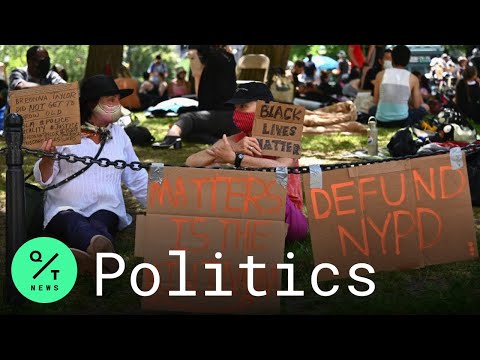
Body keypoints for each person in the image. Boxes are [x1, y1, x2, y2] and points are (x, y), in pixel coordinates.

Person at [34, 74, 148, 274]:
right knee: (73, 221)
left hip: (107, 206)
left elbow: (136, 175)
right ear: (92, 104)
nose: (118, 104)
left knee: (102, 222)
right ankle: (105, 257)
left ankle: (90, 256)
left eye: (118, 99)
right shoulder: (64, 132)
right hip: (64, 208)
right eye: (110, 100)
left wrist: (163, 204)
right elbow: (44, 180)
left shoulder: (120, 134)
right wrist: (48, 157)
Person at [185, 82, 308, 243]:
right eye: (235, 107)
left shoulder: (285, 136)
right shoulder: (237, 139)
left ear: (265, 107)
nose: (237, 113)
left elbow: (282, 167)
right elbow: (191, 162)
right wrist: (234, 148)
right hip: (249, 213)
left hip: (287, 216)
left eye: (243, 106)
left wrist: (237, 159)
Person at [153, 45, 237, 148]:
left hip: (222, 115)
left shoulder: (213, 59)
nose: (191, 61)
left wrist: (197, 75)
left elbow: (202, 101)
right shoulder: (228, 57)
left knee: (188, 117)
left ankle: (172, 137)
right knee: (189, 133)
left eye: (192, 58)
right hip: (229, 119)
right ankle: (220, 141)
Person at [371, 45, 428, 127]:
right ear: (408, 60)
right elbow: (416, 105)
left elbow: (375, 101)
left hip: (381, 120)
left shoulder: (380, 75)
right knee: (423, 108)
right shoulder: (413, 78)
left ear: (392, 59)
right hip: (402, 121)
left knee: (372, 109)